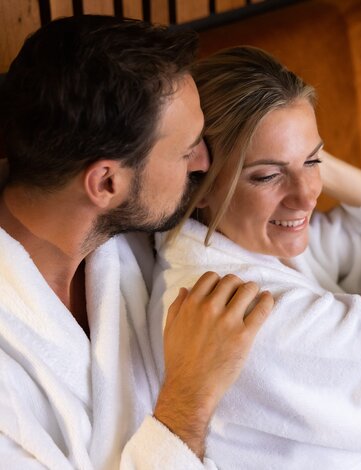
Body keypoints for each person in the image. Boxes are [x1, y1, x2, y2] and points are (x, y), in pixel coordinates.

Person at [149, 46, 361, 469]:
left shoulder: (240, 239)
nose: (307, 196)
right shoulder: (237, 309)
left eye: (314, 161)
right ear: (200, 183)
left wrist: (300, 155)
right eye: (267, 175)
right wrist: (300, 153)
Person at [0, 18, 275, 469]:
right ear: (106, 181)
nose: (205, 161)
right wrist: (189, 400)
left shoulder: (121, 241)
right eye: (187, 151)